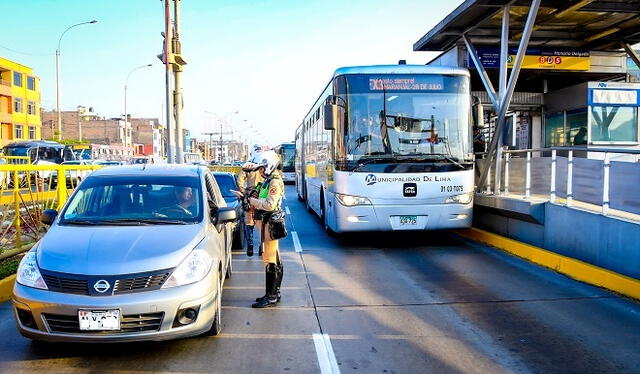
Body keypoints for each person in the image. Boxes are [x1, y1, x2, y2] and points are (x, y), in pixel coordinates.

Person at [249, 150, 285, 308]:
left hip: (269, 224)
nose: (261, 171)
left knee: (270, 260)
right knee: (273, 258)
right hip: (265, 224)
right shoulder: (269, 180)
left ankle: (271, 296)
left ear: (270, 165)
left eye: (263, 168)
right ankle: (273, 293)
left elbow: (270, 204)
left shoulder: (274, 182)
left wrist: (253, 201)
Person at [236, 146, 264, 257]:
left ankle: (250, 245)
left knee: (249, 222)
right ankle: (262, 247)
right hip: (262, 198)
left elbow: (239, 181)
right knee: (263, 223)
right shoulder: (265, 165)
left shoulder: (248, 165)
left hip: (250, 198)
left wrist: (244, 193)